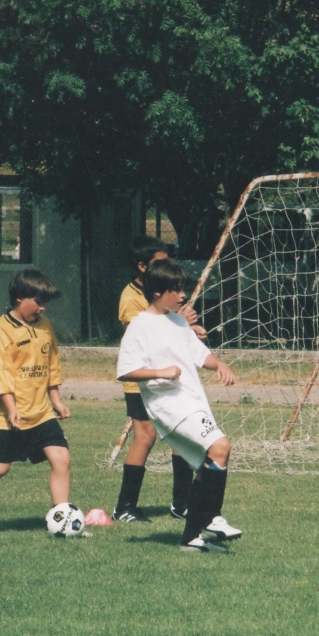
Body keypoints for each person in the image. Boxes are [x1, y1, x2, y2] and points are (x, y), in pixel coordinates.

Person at [117, 259, 241, 552]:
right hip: (168, 404)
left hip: (192, 401)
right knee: (220, 446)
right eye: (175, 289)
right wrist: (161, 372)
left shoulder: (178, 321)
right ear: (157, 292)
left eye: (182, 288)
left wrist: (219, 364)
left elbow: (200, 354)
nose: (183, 295)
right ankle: (211, 518)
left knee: (207, 465)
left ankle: (191, 539)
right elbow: (126, 370)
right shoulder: (139, 326)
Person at [0, 270, 73, 516]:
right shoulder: (0, 330)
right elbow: (0, 375)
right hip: (6, 415)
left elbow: (52, 363)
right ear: (20, 297)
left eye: (44, 303)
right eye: (38, 302)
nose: (42, 308)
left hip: (41, 412)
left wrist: (56, 400)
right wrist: (11, 409)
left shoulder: (45, 325)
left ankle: (62, 519)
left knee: (61, 458)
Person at [111, 236, 207, 522]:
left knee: (183, 435)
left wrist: (189, 330)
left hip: (173, 380)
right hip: (144, 380)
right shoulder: (131, 299)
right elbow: (148, 335)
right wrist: (182, 320)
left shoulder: (165, 292)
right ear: (142, 267)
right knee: (146, 437)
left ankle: (182, 504)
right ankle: (124, 507)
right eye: (160, 262)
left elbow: (171, 331)